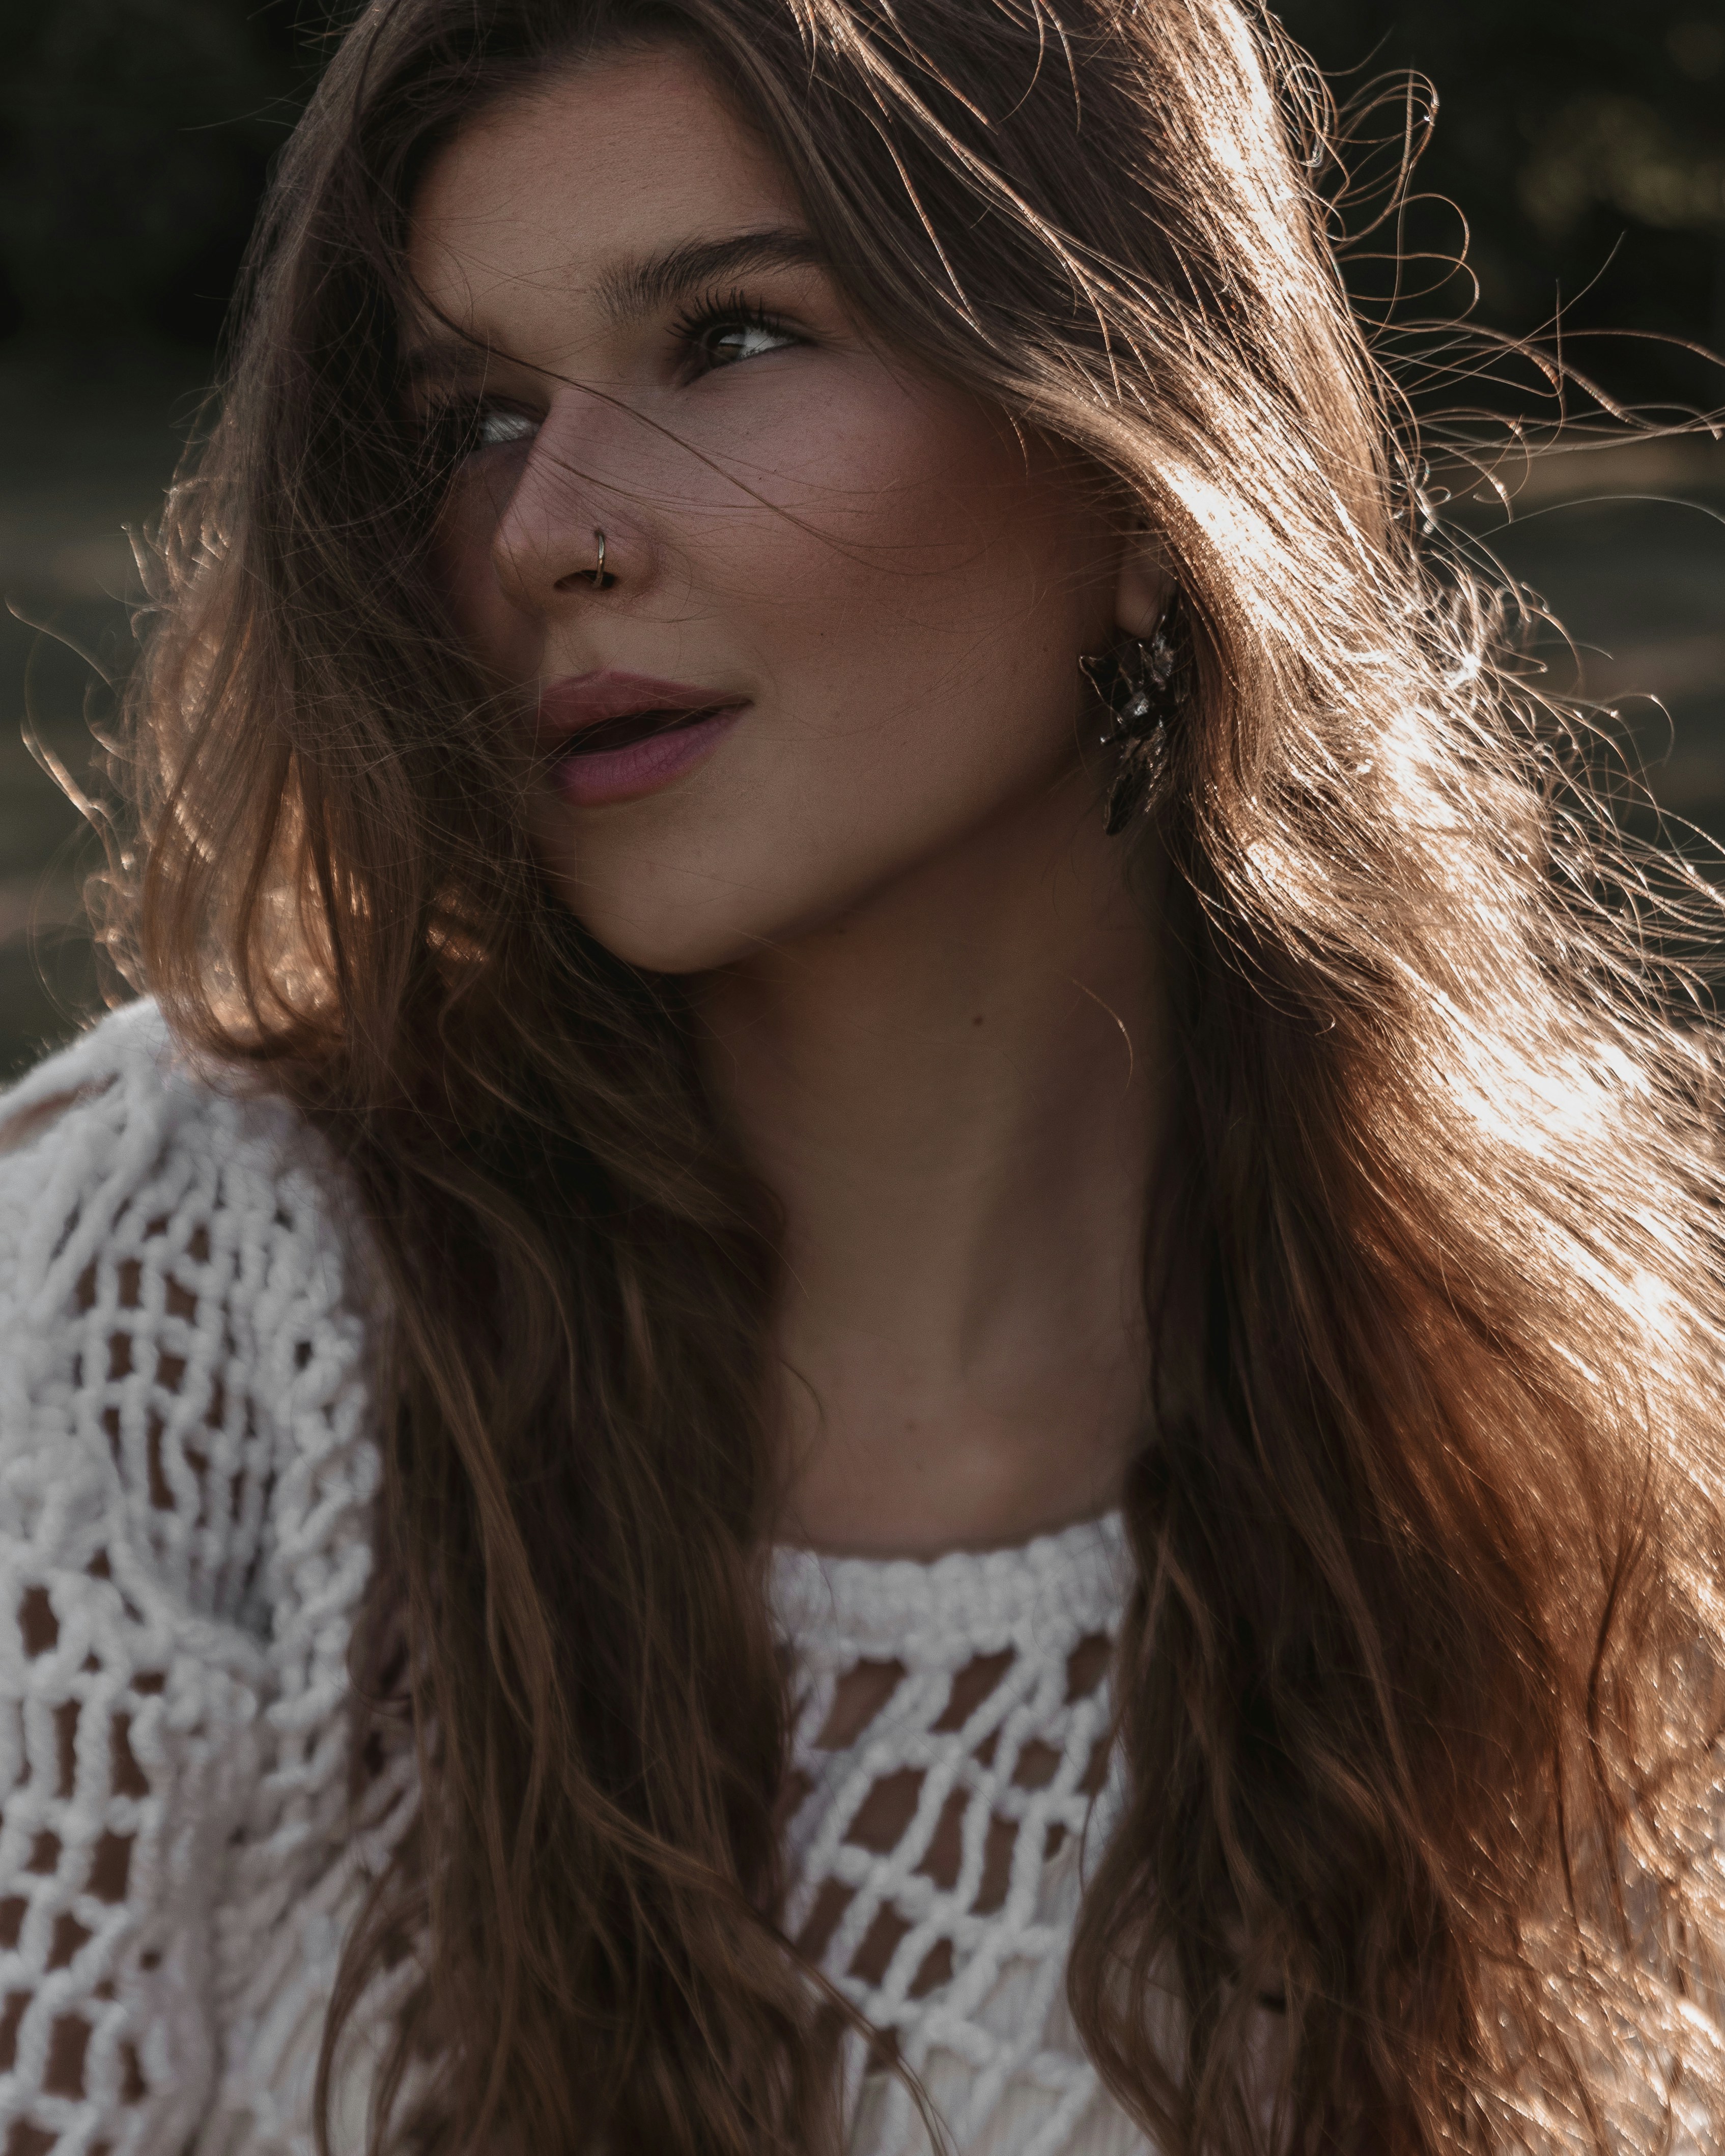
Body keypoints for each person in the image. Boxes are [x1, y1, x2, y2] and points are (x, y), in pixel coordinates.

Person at [3, 0, 1724, 2149]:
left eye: (728, 336)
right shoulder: (186, 1296)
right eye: (471, 413)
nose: (545, 529)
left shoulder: (1550, 1464)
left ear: (1126, 457)